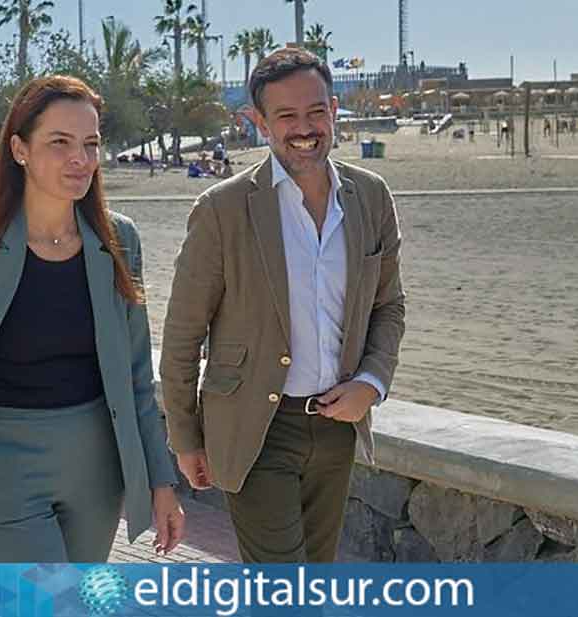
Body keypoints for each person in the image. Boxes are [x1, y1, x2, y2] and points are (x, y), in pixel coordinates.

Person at [0, 75, 185, 563]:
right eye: (60, 142)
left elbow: (134, 377)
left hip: (97, 471)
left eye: (90, 144)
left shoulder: (118, 240)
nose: (80, 159)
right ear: (20, 149)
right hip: (1, 471)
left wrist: (160, 481)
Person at [160, 47, 406, 563]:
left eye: (316, 111)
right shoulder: (222, 209)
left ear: (334, 110)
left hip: (338, 427)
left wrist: (371, 382)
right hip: (256, 430)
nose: (305, 128)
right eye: (286, 116)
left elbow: (388, 305)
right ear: (258, 122)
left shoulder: (371, 196)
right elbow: (183, 334)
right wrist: (185, 437)